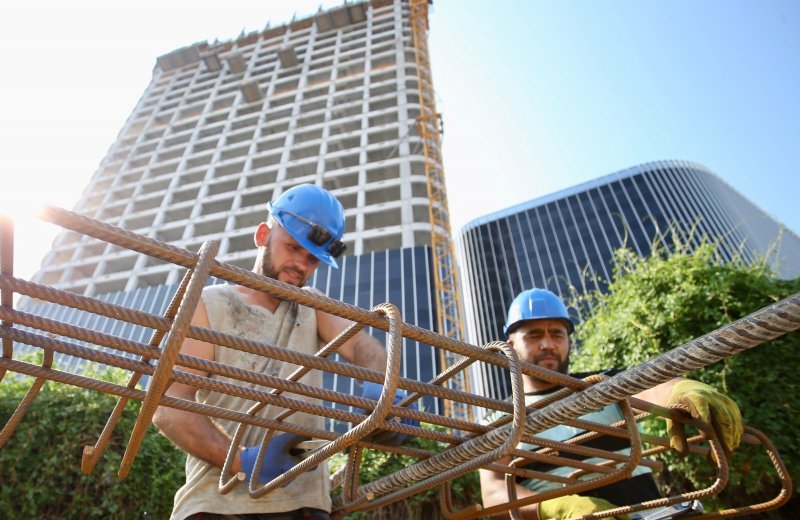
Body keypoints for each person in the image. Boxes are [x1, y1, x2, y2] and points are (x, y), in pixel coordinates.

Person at [153, 184, 410, 520]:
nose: (300, 265)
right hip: (219, 503)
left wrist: (384, 388)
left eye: (312, 259)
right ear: (263, 234)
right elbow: (171, 409)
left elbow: (363, 346)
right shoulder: (211, 304)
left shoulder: (313, 305)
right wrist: (244, 462)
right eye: (292, 247)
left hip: (304, 504)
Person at [479, 288, 743, 520]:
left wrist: (681, 390)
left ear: (569, 341)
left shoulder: (603, 385)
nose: (548, 344)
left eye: (557, 335)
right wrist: (559, 508)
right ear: (510, 346)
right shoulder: (498, 419)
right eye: (534, 335)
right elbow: (494, 493)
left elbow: (650, 388)